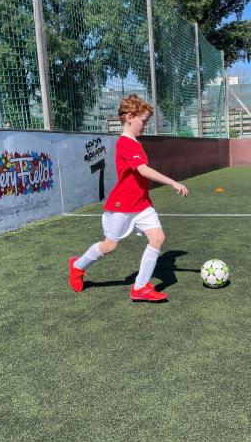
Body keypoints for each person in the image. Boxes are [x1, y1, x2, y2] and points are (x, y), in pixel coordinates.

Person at [68, 94, 188, 302]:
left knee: (158, 238)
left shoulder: (136, 143)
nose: (145, 126)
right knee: (109, 246)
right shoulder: (125, 143)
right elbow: (142, 170)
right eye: (144, 121)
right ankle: (77, 266)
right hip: (122, 205)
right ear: (130, 117)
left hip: (141, 204)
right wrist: (173, 182)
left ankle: (140, 287)